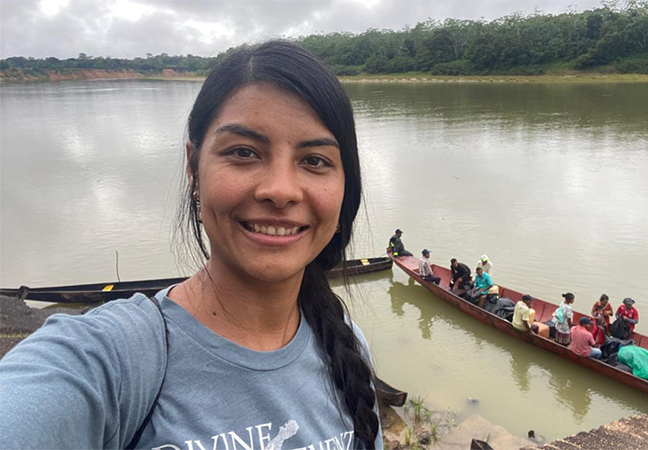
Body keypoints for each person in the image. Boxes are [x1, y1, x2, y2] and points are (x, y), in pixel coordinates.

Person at [0, 42, 382, 449]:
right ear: (193, 169)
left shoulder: (349, 348)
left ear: (346, 185)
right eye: (243, 152)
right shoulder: (108, 361)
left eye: (315, 161)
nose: (281, 191)